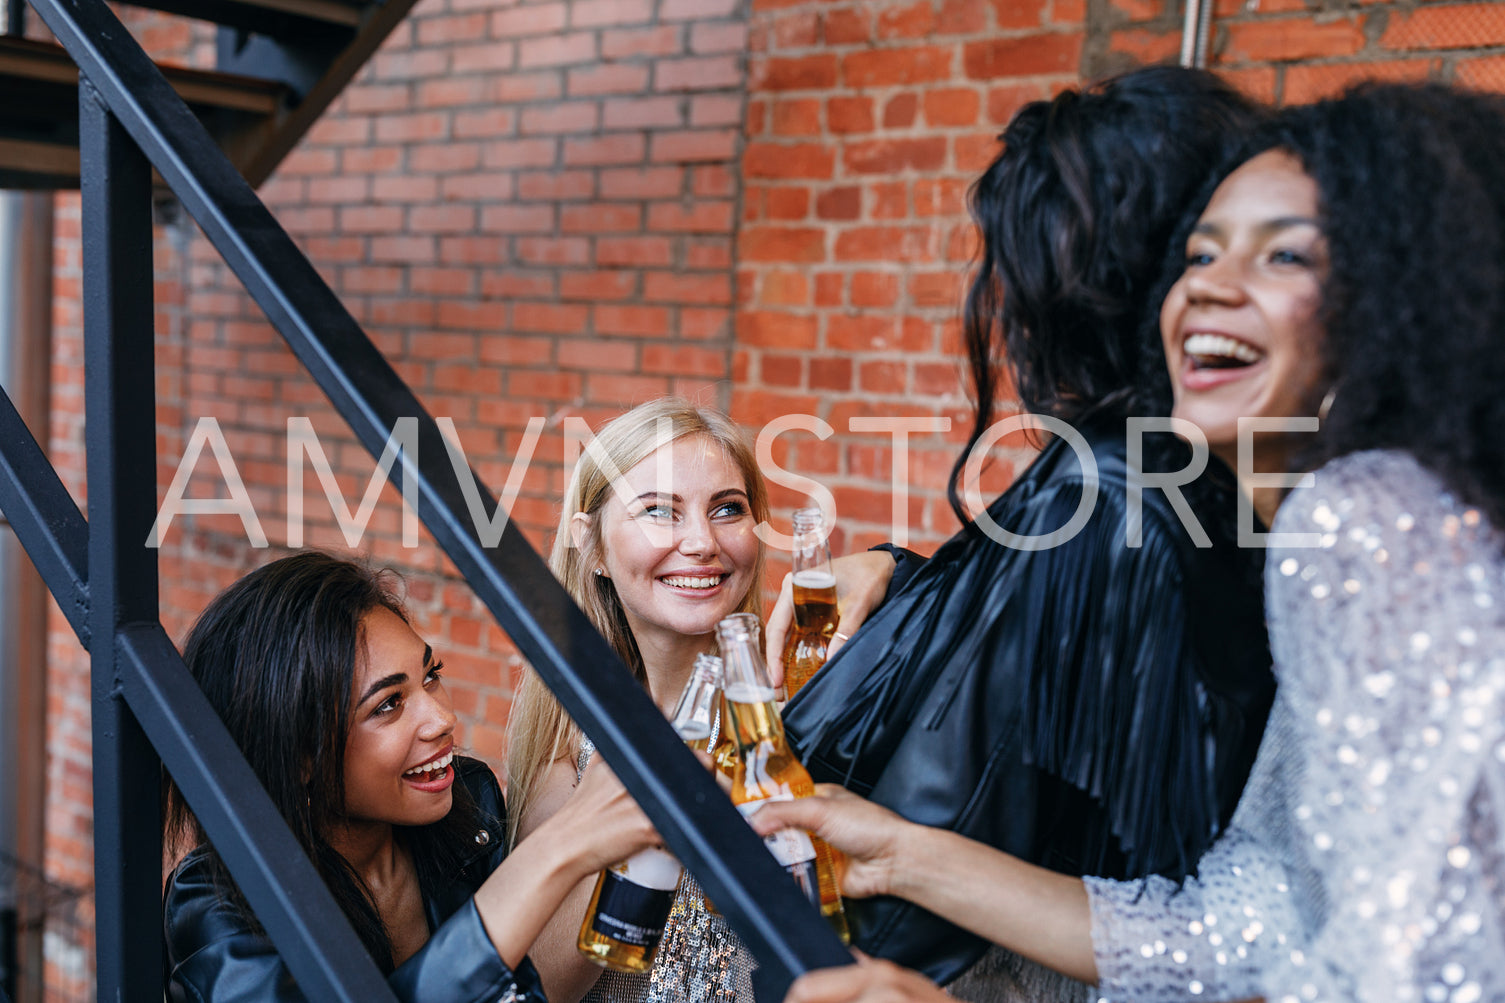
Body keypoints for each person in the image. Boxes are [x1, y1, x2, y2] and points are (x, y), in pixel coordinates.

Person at [759, 82, 1505, 1003]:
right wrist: (902, 854)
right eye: (1196, 252)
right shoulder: (1340, 517)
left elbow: (1407, 977)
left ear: (1399, 293)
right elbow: (1246, 923)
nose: (1207, 285)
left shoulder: (1369, 522)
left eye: (1283, 255)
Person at [770, 66, 1275, 998]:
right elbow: (1056, 681)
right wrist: (894, 568)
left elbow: (908, 882)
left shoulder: (1111, 491)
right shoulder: (1188, 472)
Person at [162, 551, 663, 1003]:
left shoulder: (469, 805)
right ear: (298, 755)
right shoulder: (222, 906)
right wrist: (557, 849)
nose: (443, 720)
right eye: (388, 705)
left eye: (431, 676)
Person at [506, 398, 769, 1003]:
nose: (702, 542)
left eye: (727, 509)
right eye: (659, 513)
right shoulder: (572, 742)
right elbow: (539, 983)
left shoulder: (794, 707)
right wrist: (635, 826)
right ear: (591, 546)